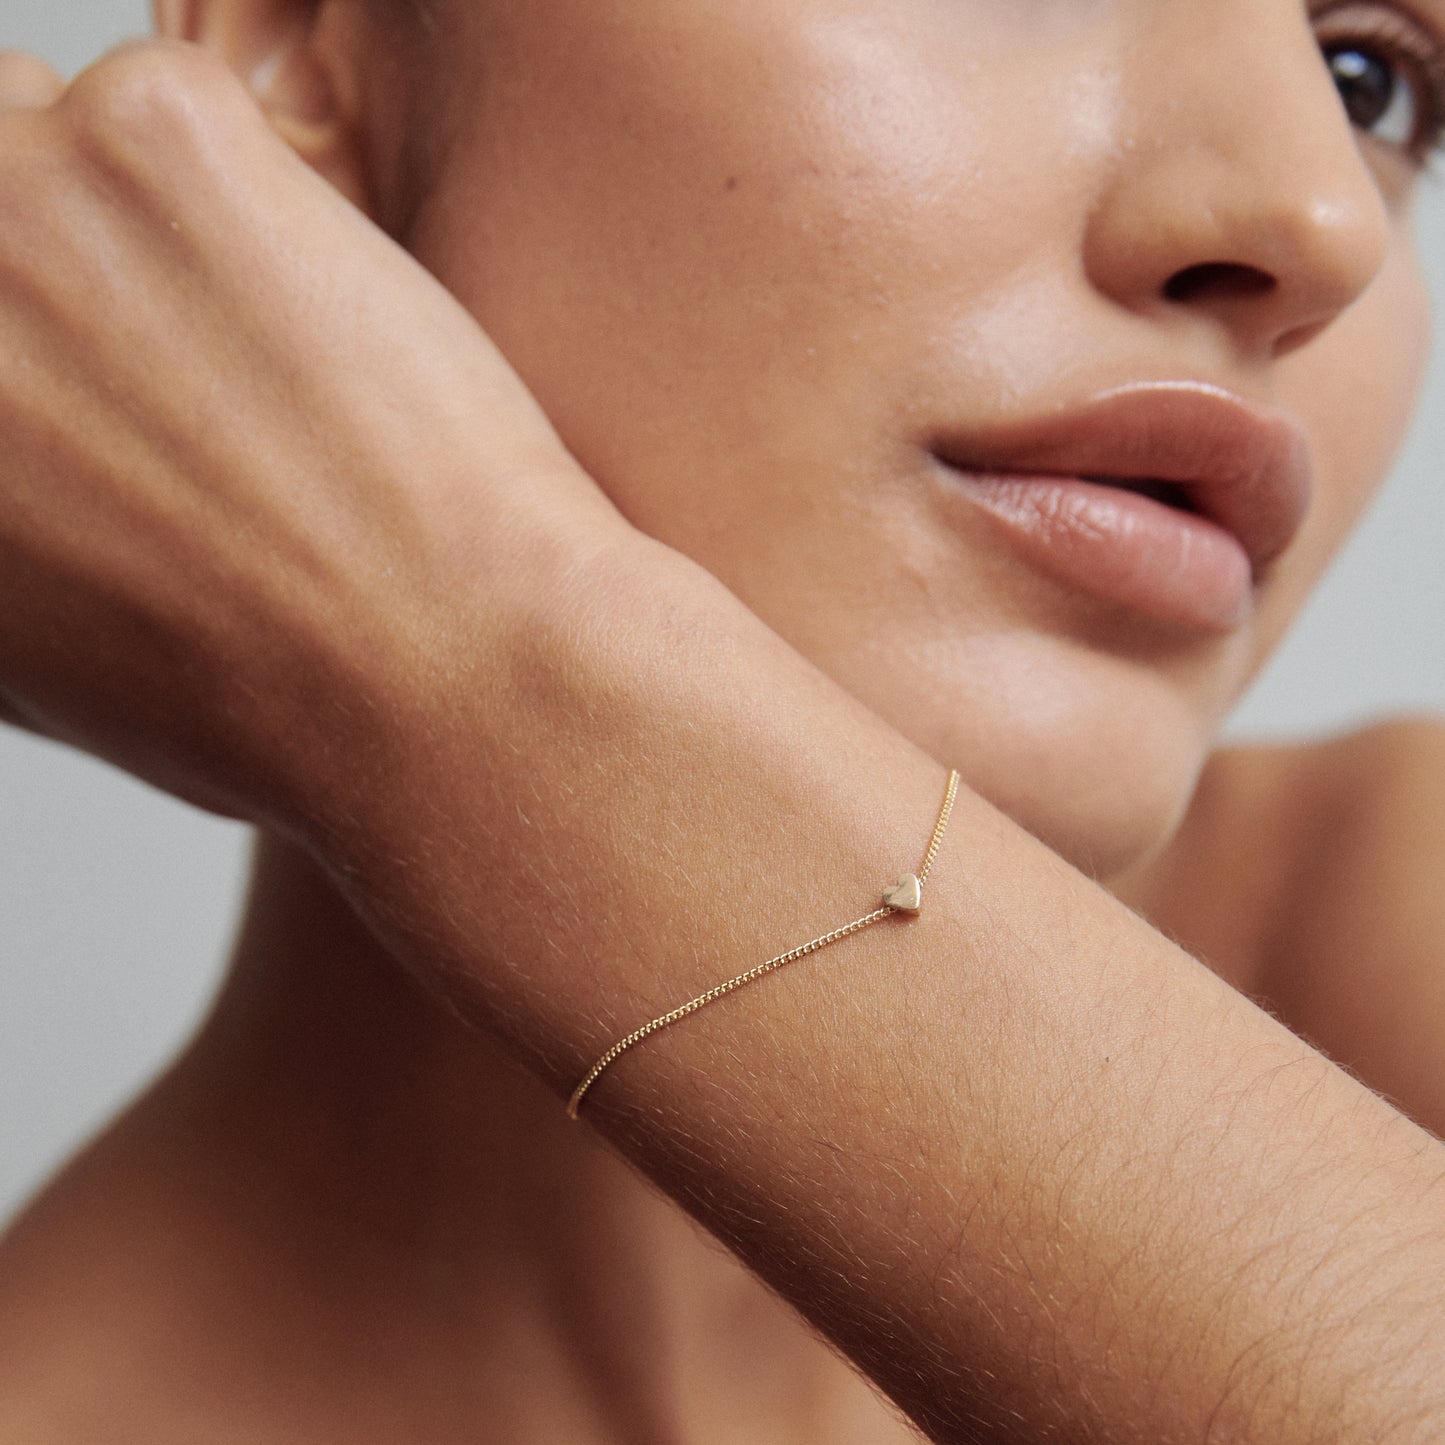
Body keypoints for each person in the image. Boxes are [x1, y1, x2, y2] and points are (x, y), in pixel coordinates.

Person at [2, 0, 1445, 1439]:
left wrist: (481, 666)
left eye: (1365, 83)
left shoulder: (1373, 920)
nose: (1317, 217)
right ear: (291, 37)